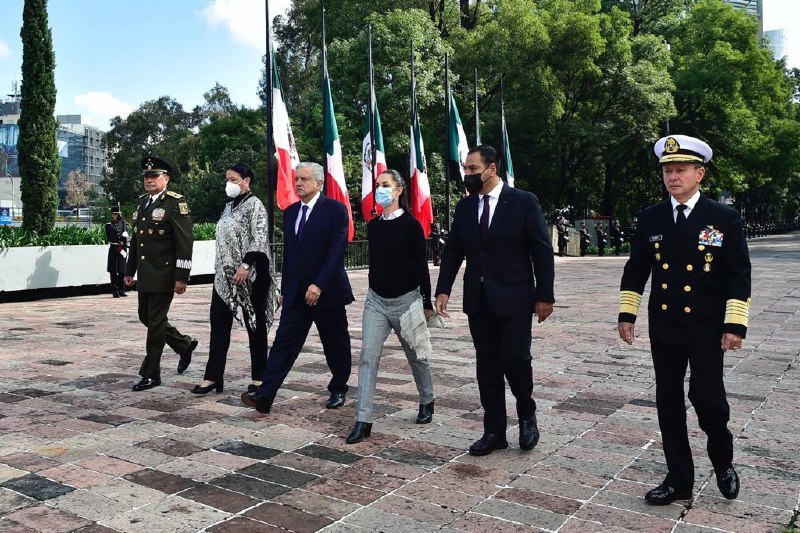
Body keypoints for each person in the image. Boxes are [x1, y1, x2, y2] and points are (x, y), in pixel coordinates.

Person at [618, 134, 750, 505]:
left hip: (707, 327)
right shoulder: (651, 217)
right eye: (668, 171)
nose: (673, 177)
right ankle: (679, 480)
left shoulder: (722, 217)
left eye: (681, 170)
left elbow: (738, 274)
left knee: (708, 400)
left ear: (699, 174)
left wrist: (735, 324)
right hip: (665, 325)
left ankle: (722, 460)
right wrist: (627, 313)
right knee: (669, 403)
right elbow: (636, 268)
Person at [435, 145, 555, 456]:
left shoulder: (523, 202)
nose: (468, 174)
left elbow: (541, 251)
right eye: (466, 169)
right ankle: (494, 431)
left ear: (492, 169)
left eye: (473, 169)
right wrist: (443, 289)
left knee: (515, 359)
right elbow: (454, 250)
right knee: (487, 366)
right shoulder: (465, 207)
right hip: (479, 300)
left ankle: (527, 415)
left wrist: (545, 295)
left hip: (515, 298)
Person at [241, 162, 353, 413]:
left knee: (335, 343)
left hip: (328, 292)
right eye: (296, 179)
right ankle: (265, 395)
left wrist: (319, 284)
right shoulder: (291, 211)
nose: (298, 183)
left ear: (319, 183)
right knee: (283, 343)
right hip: (296, 294)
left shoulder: (335, 210)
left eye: (304, 179)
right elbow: (290, 255)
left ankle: (338, 387)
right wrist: (285, 288)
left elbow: (337, 252)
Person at [346, 169, 436, 444]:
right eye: (377, 185)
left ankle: (427, 399)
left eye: (385, 185)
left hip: (407, 300)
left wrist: (426, 302)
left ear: (398, 190)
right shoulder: (374, 226)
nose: (380, 189)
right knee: (367, 357)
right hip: (376, 301)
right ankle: (363, 419)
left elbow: (421, 266)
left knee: (416, 355)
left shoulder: (411, 225)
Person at [192, 163, 276, 395]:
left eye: (233, 179)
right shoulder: (228, 207)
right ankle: (213, 377)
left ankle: (259, 378)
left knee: (255, 326)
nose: (228, 184)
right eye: (227, 179)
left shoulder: (255, 205)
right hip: (225, 276)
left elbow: (259, 237)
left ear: (246, 181)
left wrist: (246, 264)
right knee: (218, 324)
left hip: (252, 274)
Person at [124, 155, 198, 391]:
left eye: (154, 176)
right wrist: (129, 270)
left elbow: (184, 243)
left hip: (165, 274)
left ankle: (151, 374)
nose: (149, 180)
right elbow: (136, 241)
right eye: (146, 176)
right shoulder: (142, 203)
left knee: (155, 323)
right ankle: (184, 345)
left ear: (166, 178)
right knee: (146, 317)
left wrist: (181, 277)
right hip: (146, 274)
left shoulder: (175, 203)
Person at [105, 209, 128, 298]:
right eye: (113, 214)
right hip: (114, 248)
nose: (115, 216)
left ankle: (122, 289)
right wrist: (118, 241)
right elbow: (110, 237)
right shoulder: (109, 225)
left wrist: (125, 239)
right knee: (113, 270)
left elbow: (125, 235)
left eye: (116, 214)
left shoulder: (123, 224)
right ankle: (115, 290)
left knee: (122, 270)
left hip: (122, 248)